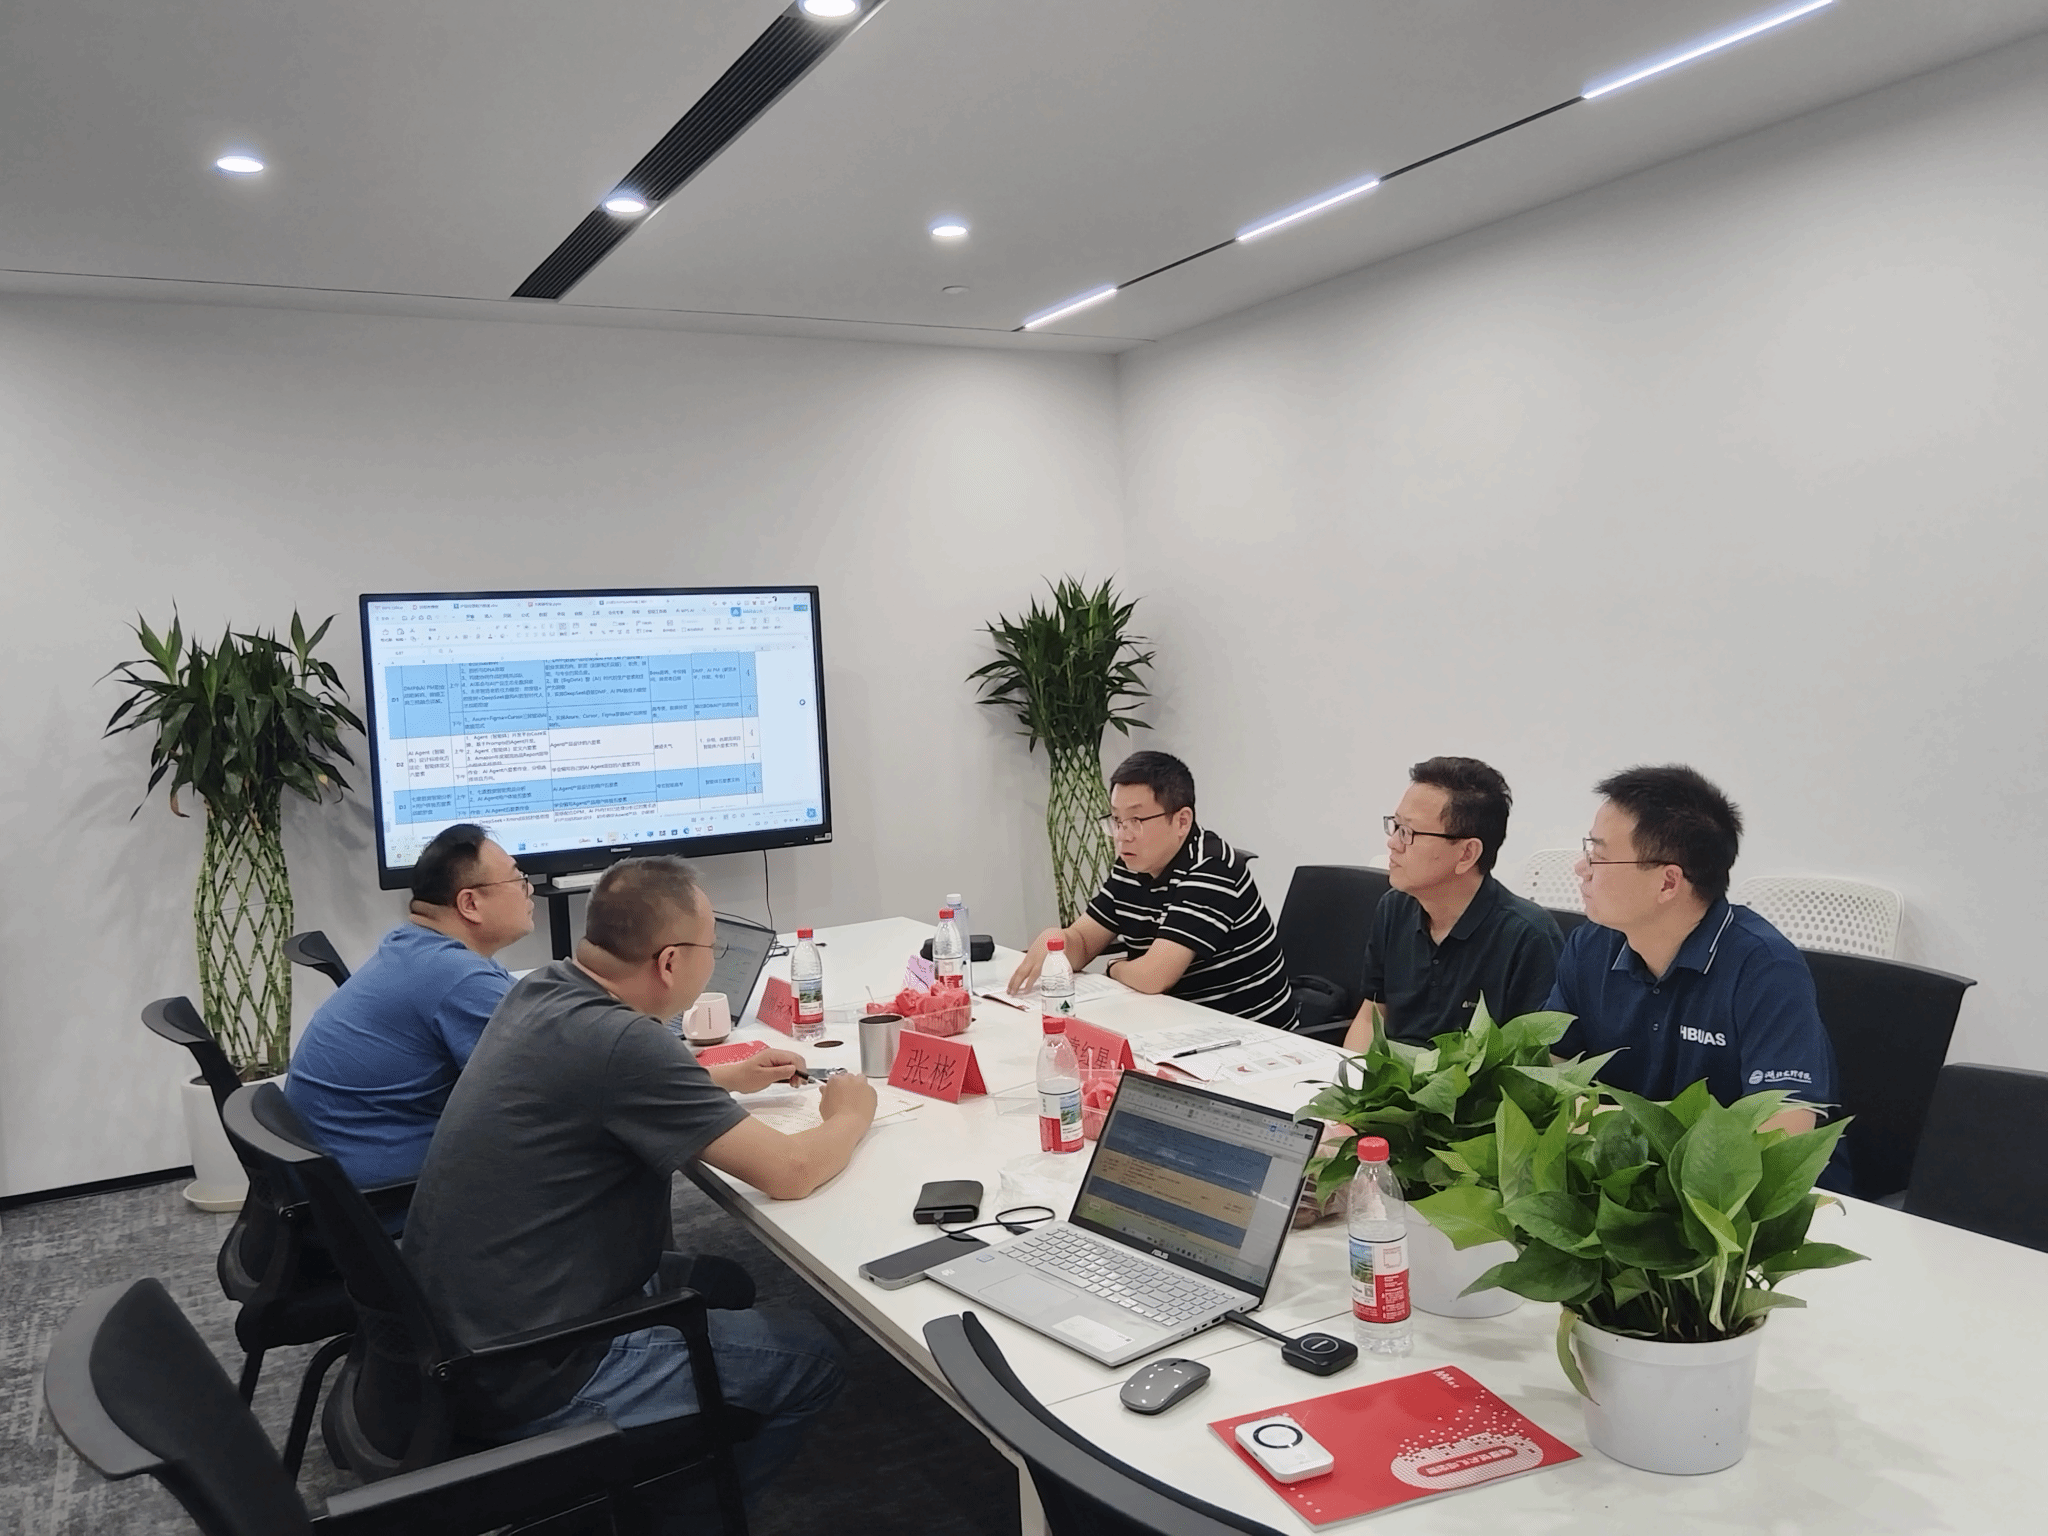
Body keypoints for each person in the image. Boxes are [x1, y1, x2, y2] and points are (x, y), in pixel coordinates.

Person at [401, 855, 875, 1503]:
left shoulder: (544, 988)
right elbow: (790, 1171)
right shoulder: (626, 1043)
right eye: (712, 949)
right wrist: (851, 1112)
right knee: (816, 1357)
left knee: (724, 1282)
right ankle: (696, 1517)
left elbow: (604, 1082)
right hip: (537, 1370)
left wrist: (723, 1077)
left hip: (464, 1333)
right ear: (671, 962)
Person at [1548, 765, 1839, 1143]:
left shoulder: (1766, 968)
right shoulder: (1589, 946)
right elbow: (1549, 1072)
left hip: (1732, 1178)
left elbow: (1783, 1130)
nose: (1580, 868)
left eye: (1598, 856)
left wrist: (1616, 1127)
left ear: (1668, 882)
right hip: (1622, 1168)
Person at [283, 822, 532, 1189]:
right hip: (383, 1190)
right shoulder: (457, 978)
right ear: (470, 903)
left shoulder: (414, 944)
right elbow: (537, 1085)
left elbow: (525, 1014)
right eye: (518, 879)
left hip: (341, 1165)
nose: (529, 890)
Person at [1009, 750, 1296, 1027]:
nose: (1122, 836)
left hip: (1251, 1037)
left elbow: (1154, 976)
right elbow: (1083, 941)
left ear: (1182, 821)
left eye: (1136, 821)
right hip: (1174, 1024)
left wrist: (1113, 968)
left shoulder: (1213, 867)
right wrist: (1058, 941)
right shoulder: (1132, 866)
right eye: (1117, 820)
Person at [1342, 757, 1562, 1049]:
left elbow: (1533, 1060)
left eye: (1408, 832)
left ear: (1467, 854)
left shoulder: (1528, 937)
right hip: (1390, 1075)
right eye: (1395, 826)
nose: (1393, 843)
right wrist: (1350, 1073)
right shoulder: (1394, 907)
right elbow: (1372, 1016)